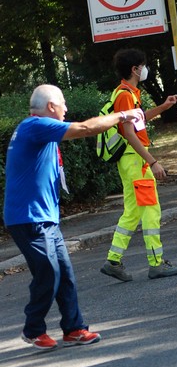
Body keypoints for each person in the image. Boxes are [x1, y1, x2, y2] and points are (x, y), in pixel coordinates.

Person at [3, 84, 142, 350]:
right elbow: (87, 128)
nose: (67, 108)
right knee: (48, 272)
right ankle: (33, 329)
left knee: (64, 273)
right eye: (63, 103)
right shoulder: (36, 126)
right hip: (28, 219)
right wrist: (123, 115)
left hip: (45, 218)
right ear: (51, 107)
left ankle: (74, 329)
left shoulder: (37, 128)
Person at [100, 48, 177, 282]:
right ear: (135, 69)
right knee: (150, 210)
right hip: (136, 162)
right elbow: (128, 132)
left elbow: (138, 120)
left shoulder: (126, 93)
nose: (145, 69)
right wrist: (152, 161)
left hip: (129, 161)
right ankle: (156, 264)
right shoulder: (125, 95)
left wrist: (163, 107)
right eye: (143, 65)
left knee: (133, 211)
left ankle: (113, 261)